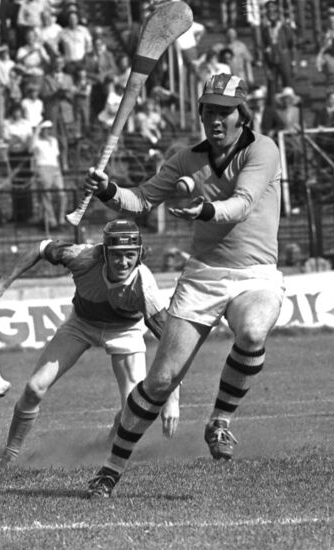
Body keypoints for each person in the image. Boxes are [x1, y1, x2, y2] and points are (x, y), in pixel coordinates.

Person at [82, 74, 285, 498]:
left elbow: (241, 204)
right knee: (160, 382)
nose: (215, 119)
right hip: (203, 276)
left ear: (241, 115)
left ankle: (220, 421)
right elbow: (140, 200)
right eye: (209, 110)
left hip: (256, 274)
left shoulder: (263, 149)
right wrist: (109, 191)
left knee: (251, 332)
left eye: (224, 112)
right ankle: (110, 470)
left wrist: (205, 209)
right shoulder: (183, 158)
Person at [0, 220, 180, 466]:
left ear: (139, 254)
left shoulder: (145, 286)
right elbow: (42, 248)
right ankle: (8, 456)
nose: (124, 263)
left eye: (130, 255)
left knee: (132, 410)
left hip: (125, 331)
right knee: (34, 387)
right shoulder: (82, 256)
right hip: (81, 324)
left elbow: (171, 345)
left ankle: (106, 450)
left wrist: (171, 400)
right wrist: (4, 283)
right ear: (104, 252)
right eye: (116, 255)